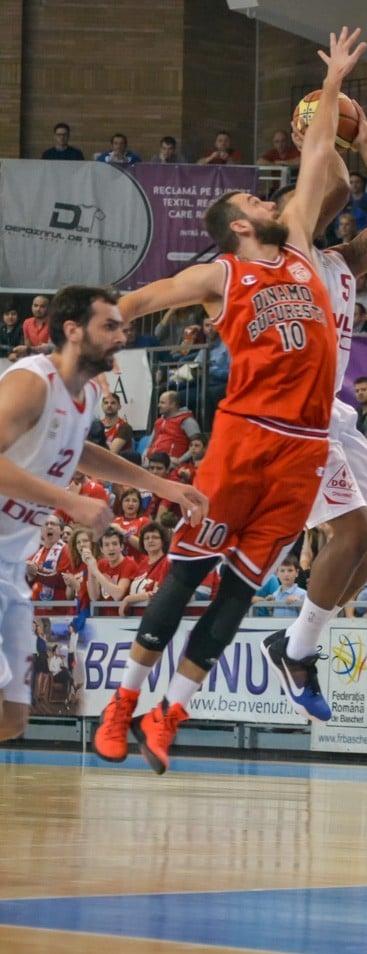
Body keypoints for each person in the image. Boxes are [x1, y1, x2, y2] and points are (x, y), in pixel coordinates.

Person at [93, 26, 367, 772]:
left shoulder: (301, 248)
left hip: (305, 446)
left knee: (240, 592)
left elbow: (317, 159)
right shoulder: (227, 274)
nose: (267, 197)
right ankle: (123, 702)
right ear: (241, 226)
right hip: (247, 435)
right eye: (253, 198)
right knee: (186, 572)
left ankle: (171, 714)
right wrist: (97, 332)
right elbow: (151, 293)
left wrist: (336, 84)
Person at [0, 285, 207, 742]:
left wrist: (161, 484)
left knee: (11, 719)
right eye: (109, 326)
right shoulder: (32, 381)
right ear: (73, 331)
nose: (122, 335)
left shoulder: (87, 395)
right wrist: (70, 502)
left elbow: (79, 452)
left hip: (10, 565)